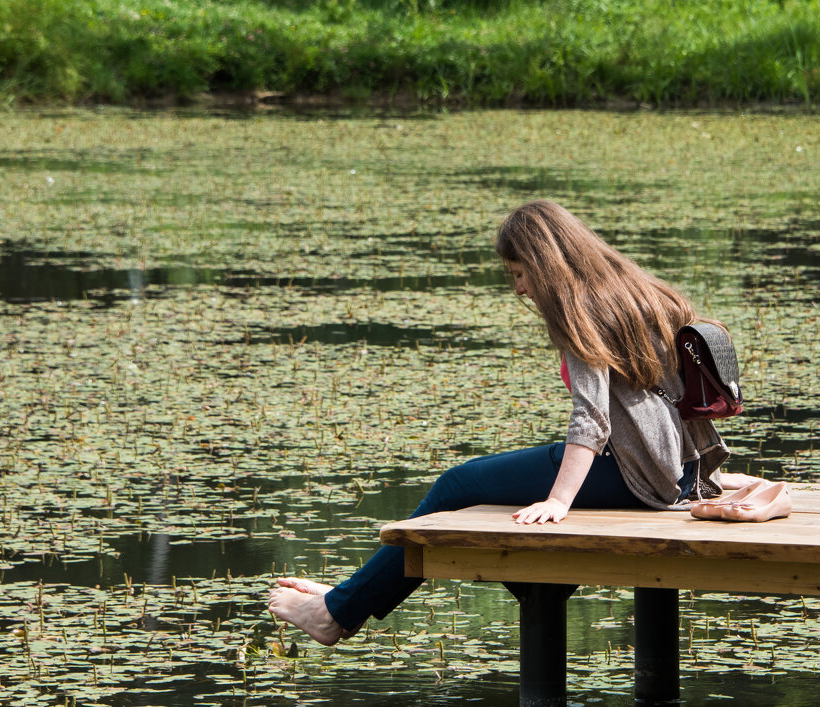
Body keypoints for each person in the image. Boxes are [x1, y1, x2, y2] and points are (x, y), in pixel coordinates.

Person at [268, 199, 762, 646]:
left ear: (545, 261)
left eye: (519, 272)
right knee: (471, 493)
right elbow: (676, 396)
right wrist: (699, 472)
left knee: (457, 483)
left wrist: (558, 500)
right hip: (668, 474)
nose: (519, 287)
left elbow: (591, 417)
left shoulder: (580, 309)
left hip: (636, 479)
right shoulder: (638, 290)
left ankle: (337, 614)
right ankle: (351, 594)